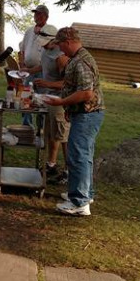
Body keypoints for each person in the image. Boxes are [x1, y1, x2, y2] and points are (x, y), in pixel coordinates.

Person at [45, 27, 104, 217]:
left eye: (61, 45)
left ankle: (79, 203)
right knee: (84, 155)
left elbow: (87, 93)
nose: (61, 50)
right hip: (82, 113)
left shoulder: (81, 62)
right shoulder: (78, 58)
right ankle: (85, 193)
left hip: (88, 114)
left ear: (68, 41)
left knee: (78, 155)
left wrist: (62, 102)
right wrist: (70, 109)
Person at [31, 25, 70, 184]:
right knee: (50, 133)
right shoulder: (47, 51)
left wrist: (46, 83)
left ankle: (69, 171)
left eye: (47, 42)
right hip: (49, 98)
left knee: (64, 136)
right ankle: (51, 164)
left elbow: (68, 83)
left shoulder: (61, 57)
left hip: (61, 101)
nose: (44, 45)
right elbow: (43, 66)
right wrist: (29, 70)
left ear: (55, 40)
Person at [19, 4, 50, 126]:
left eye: (39, 14)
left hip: (43, 72)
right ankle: (26, 125)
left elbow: (49, 58)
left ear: (46, 17)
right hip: (28, 71)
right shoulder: (29, 31)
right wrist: (21, 63)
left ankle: (41, 128)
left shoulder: (50, 31)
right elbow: (21, 49)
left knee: (42, 100)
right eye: (35, 14)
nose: (36, 16)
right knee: (25, 98)